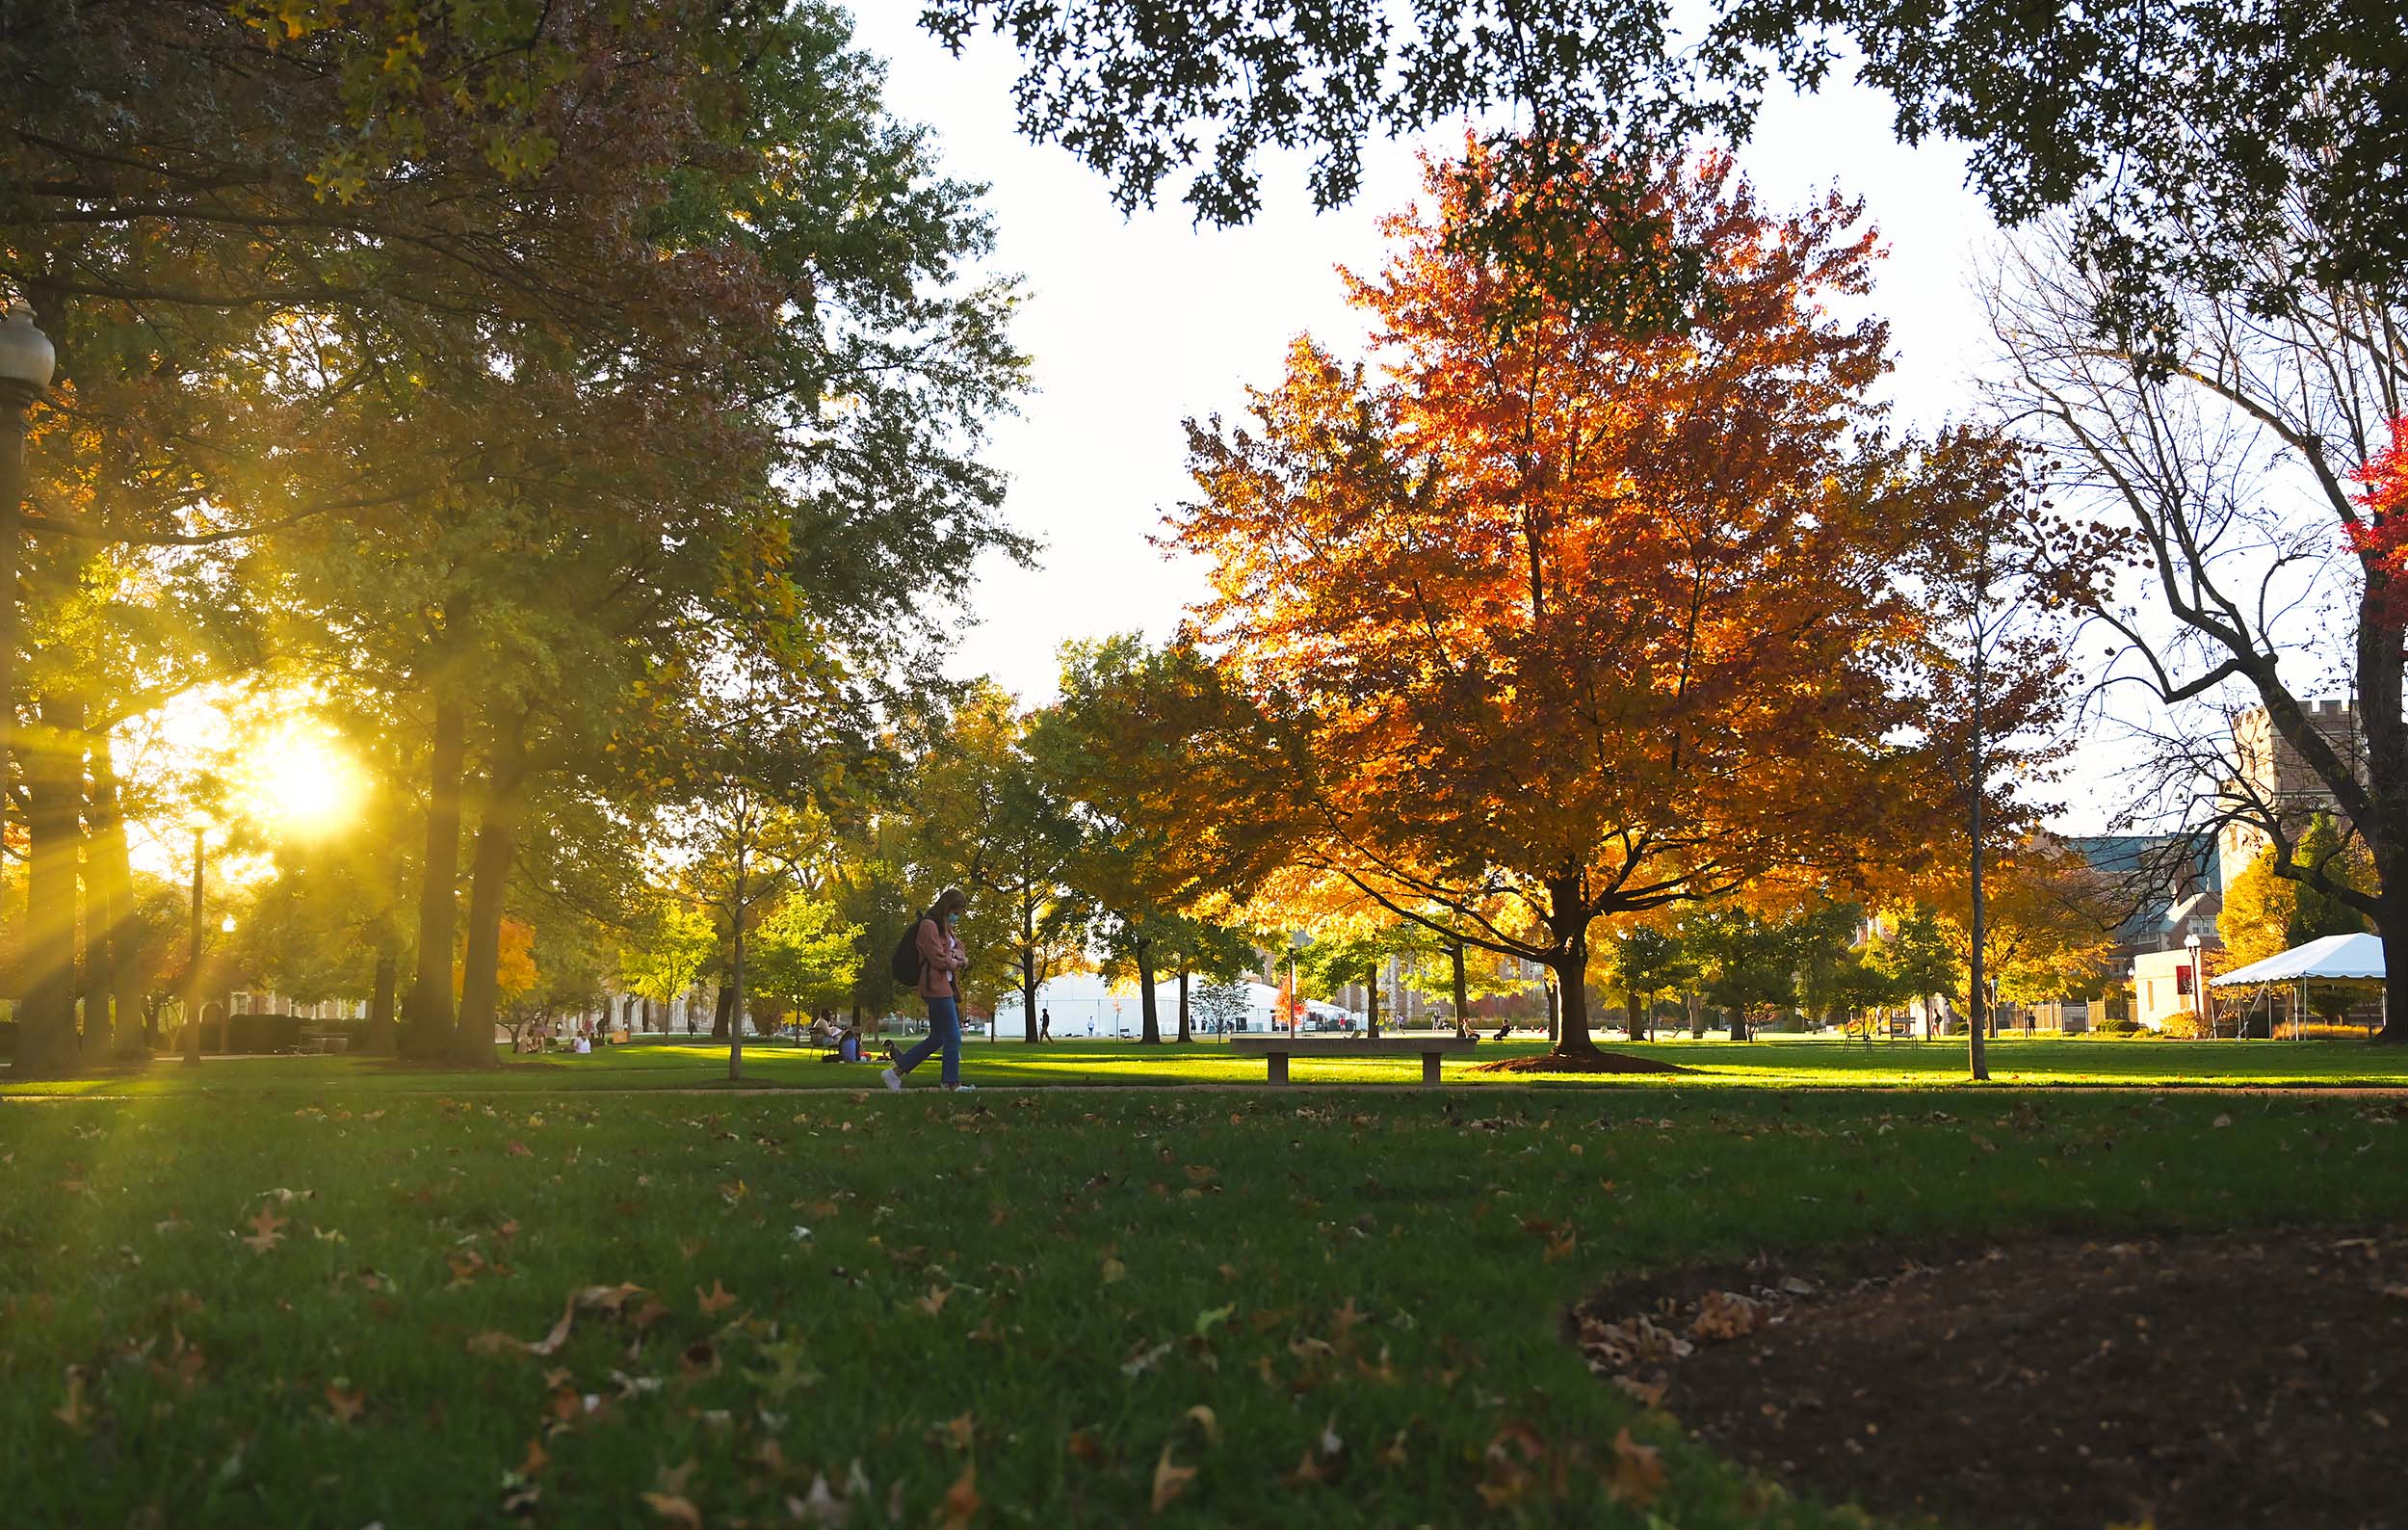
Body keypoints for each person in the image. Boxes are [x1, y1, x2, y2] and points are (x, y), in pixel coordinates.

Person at [884, 887, 973, 1093]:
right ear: (948, 907)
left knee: (938, 1038)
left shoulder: (945, 927)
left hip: (946, 986)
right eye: (956, 912)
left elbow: (959, 948)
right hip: (935, 986)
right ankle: (951, 1083)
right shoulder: (928, 926)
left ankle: (895, 1073)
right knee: (953, 1036)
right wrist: (957, 961)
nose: (957, 917)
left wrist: (957, 955)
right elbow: (938, 959)